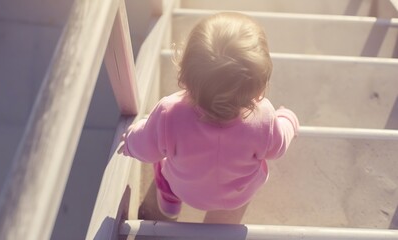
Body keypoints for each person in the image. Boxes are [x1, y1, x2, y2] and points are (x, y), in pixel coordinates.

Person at [118, 12, 299, 222]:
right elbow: (278, 146)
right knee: (237, 196)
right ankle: (220, 223)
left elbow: (147, 147)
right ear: (259, 88)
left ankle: (169, 201)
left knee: (162, 161)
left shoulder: (170, 113)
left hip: (184, 188)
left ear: (184, 76)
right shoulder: (265, 118)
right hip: (237, 193)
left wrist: (130, 141)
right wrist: (288, 119)